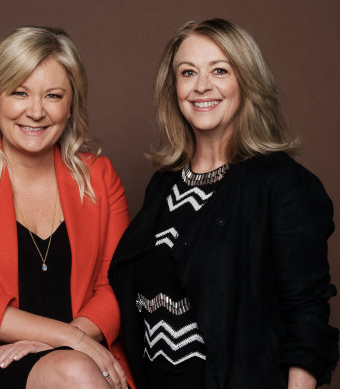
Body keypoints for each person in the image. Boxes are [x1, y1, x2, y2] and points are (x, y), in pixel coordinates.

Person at [109, 18, 338, 389]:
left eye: (220, 70)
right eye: (188, 72)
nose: (202, 86)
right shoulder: (163, 186)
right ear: (174, 88)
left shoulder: (282, 184)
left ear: (246, 82)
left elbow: (307, 317)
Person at [0, 26, 132, 389]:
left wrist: (69, 340)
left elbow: (117, 286)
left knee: (77, 370)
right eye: (19, 93)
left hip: (85, 352)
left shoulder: (99, 177)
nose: (35, 111)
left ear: (71, 106)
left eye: (53, 95)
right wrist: (72, 344)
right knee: (76, 373)